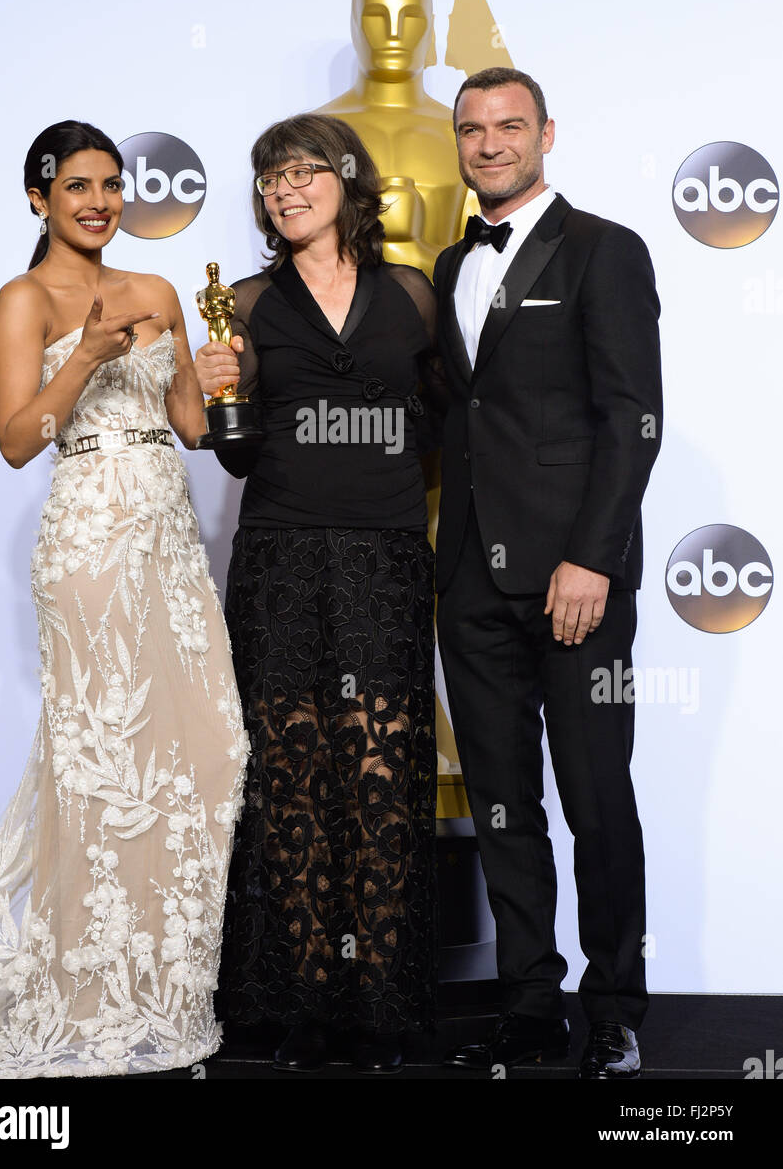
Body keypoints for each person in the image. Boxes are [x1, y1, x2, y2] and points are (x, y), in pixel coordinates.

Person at [0, 120, 248, 1078]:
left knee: (207, 749)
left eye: (111, 185)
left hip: (169, 544)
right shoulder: (21, 299)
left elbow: (188, 426)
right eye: (77, 188)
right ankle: (87, 993)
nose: (100, 202)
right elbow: (20, 438)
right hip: (89, 543)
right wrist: (88, 353)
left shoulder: (156, 291)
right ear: (40, 199)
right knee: (104, 763)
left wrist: (212, 378)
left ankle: (167, 989)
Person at [195, 113, 444, 1073]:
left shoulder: (412, 296)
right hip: (282, 557)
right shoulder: (249, 306)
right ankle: (299, 1001)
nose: (283, 190)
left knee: (378, 775)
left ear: (347, 179)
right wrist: (224, 394)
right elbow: (240, 450)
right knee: (292, 781)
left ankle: (377, 1005)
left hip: (384, 555)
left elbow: (438, 420)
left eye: (300, 171)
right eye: (267, 179)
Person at [434, 69, 662, 1079]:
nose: (489, 144)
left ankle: (613, 1003)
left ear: (546, 134)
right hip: (472, 584)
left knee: (595, 796)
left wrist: (591, 558)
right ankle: (531, 998)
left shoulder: (606, 250)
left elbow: (630, 421)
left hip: (574, 579)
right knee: (499, 802)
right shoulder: (447, 263)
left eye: (508, 126)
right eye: (472, 129)